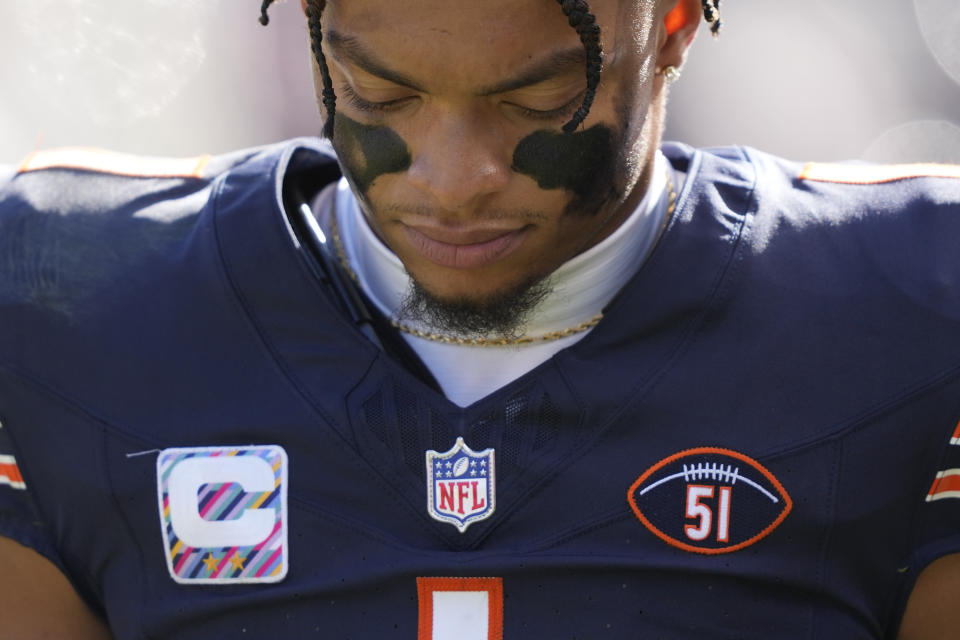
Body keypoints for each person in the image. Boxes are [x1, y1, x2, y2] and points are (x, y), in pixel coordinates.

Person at [1, 0, 959, 637]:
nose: (452, 181)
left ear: (671, 24)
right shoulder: (62, 305)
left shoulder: (911, 306)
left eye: (535, 98)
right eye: (382, 91)